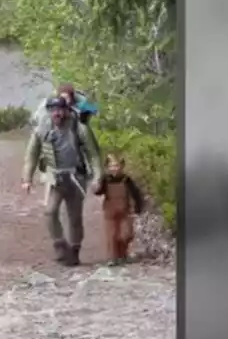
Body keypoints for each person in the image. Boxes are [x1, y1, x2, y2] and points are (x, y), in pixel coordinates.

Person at [22, 96, 103, 266]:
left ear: (66, 110)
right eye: (53, 110)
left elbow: (93, 154)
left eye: (60, 109)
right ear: (49, 111)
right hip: (55, 178)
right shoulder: (41, 130)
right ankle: (59, 244)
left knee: (75, 217)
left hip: (75, 177)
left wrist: (98, 176)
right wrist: (27, 178)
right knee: (50, 212)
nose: (57, 113)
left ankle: (74, 250)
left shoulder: (79, 129)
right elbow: (31, 156)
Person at [92, 153, 146, 266]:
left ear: (121, 166)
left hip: (125, 210)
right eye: (111, 165)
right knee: (111, 235)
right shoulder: (105, 179)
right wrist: (96, 185)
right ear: (107, 167)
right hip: (110, 211)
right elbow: (99, 192)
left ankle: (123, 254)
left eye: (116, 165)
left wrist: (138, 207)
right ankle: (113, 258)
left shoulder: (126, 179)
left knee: (126, 234)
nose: (114, 168)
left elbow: (136, 194)